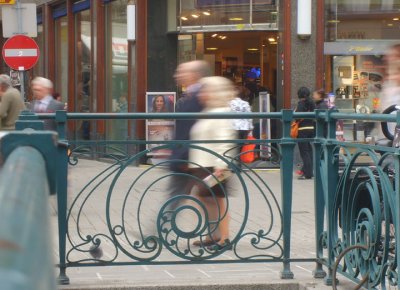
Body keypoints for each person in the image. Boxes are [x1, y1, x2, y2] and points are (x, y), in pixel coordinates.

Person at [188, 76, 237, 250]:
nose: (201, 93)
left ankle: (224, 238)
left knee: (217, 201)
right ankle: (213, 235)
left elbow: (225, 140)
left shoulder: (221, 112)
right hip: (203, 165)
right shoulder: (208, 111)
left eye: (205, 90)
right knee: (204, 197)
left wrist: (221, 165)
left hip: (215, 166)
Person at [296, 87, 315, 180]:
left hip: (302, 129)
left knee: (304, 152)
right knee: (309, 151)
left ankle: (307, 173)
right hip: (311, 128)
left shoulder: (301, 104)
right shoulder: (312, 103)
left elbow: (297, 118)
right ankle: (309, 171)